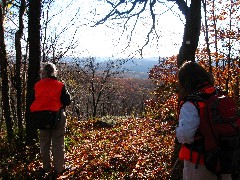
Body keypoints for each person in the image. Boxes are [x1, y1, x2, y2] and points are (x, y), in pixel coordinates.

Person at [176, 61, 231, 180]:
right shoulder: (219, 94)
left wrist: (177, 131)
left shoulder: (192, 103)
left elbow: (186, 136)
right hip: (226, 159)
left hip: (200, 163)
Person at [30, 62, 71, 177]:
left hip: (42, 118)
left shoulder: (37, 85)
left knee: (44, 143)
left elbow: (31, 101)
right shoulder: (60, 85)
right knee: (58, 143)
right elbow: (67, 101)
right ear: (54, 71)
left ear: (43, 72)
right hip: (58, 116)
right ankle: (59, 169)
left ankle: (46, 168)